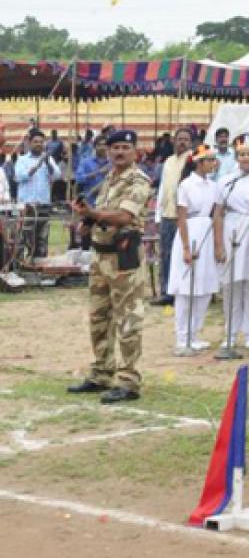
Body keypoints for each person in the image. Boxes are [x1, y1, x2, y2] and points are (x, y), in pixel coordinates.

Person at [66, 129, 152, 404]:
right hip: (100, 255)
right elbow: (103, 213)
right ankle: (102, 372)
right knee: (99, 317)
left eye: (125, 148)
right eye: (114, 148)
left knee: (128, 319)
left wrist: (93, 214)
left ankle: (128, 380)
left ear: (135, 151)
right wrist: (87, 222)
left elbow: (125, 216)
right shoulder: (109, 179)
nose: (118, 152)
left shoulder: (138, 180)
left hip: (123, 256)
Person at [214, 135, 249, 350]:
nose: (246, 158)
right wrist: (218, 244)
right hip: (232, 228)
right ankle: (230, 331)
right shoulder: (226, 180)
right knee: (231, 284)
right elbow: (218, 213)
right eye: (242, 154)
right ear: (236, 157)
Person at [167, 145, 221, 356]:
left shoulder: (214, 186)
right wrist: (187, 247)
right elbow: (181, 216)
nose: (213, 164)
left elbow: (217, 215)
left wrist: (218, 245)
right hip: (190, 231)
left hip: (206, 232)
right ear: (199, 163)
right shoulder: (186, 185)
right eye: (209, 160)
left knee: (205, 286)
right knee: (185, 287)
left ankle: (195, 333)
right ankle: (182, 335)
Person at [152, 129, 192, 305]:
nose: (182, 142)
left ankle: (184, 291)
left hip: (186, 218)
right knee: (166, 255)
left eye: (185, 139)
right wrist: (158, 215)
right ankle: (167, 292)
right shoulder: (168, 161)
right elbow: (163, 189)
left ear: (190, 142)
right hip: (167, 215)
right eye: (179, 139)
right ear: (174, 141)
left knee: (184, 254)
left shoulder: (193, 160)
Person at [15, 129, 62, 259]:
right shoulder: (22, 160)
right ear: (29, 143)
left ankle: (39, 264)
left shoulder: (48, 159)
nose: (39, 144)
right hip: (27, 206)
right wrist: (37, 165)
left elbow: (58, 175)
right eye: (36, 142)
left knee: (42, 237)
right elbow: (19, 177)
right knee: (26, 236)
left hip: (44, 204)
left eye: (41, 142)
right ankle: (24, 264)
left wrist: (47, 163)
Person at [75, 137, 109, 207]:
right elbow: (78, 178)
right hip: (90, 203)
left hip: (107, 203)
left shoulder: (113, 163)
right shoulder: (86, 162)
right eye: (99, 145)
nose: (102, 147)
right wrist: (97, 172)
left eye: (105, 145)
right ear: (94, 147)